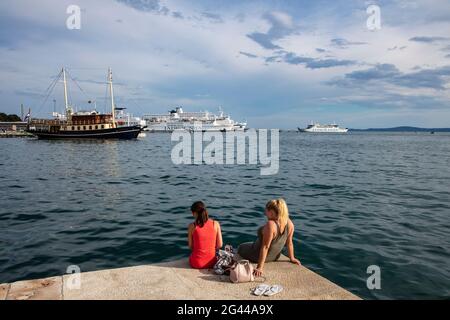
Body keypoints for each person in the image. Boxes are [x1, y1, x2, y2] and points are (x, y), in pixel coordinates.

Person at [237, 198, 301, 277]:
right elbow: (289, 243)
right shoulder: (289, 223)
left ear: (272, 212)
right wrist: (292, 258)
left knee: (241, 247)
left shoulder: (271, 225)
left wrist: (259, 267)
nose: (265, 213)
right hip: (275, 256)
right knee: (250, 244)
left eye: (266, 210)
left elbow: (265, 247)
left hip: (256, 255)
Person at [188, 201, 223, 269]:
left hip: (197, 263)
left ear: (195, 213)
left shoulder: (192, 226)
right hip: (212, 262)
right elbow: (220, 245)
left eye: (192, 213)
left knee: (192, 256)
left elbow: (190, 246)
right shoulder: (215, 224)